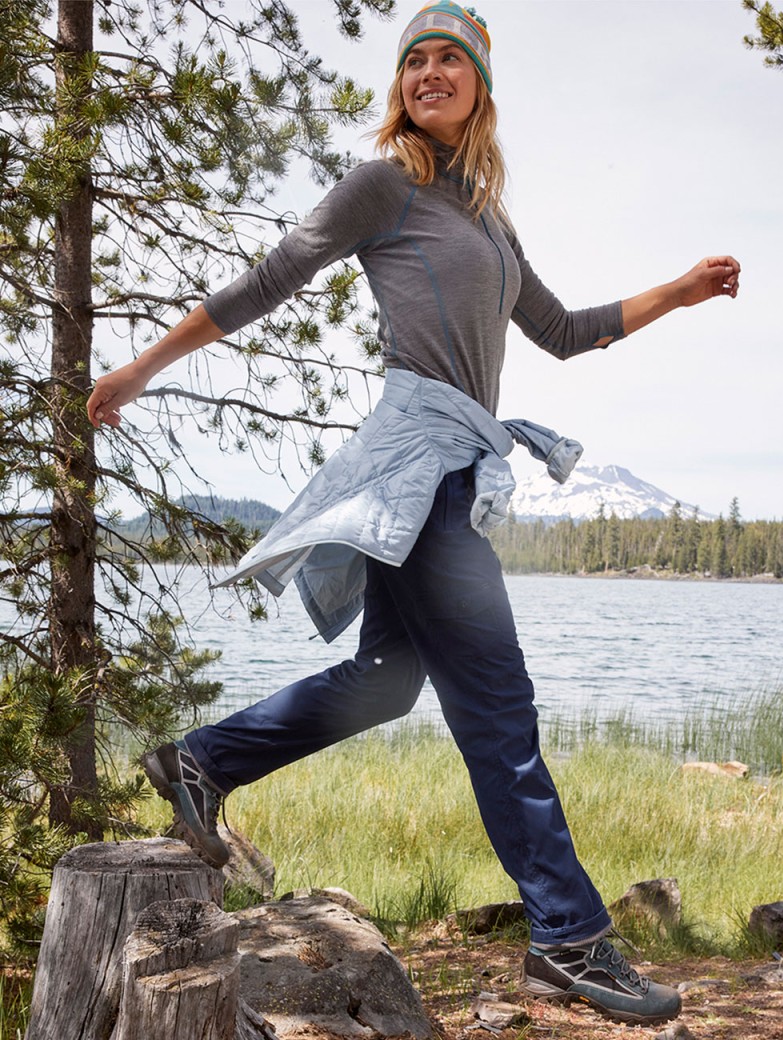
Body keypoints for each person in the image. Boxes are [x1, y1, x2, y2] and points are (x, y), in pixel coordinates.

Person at [87, 1, 739, 1027]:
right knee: (498, 707)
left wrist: (681, 291)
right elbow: (273, 276)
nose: (429, 72)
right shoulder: (383, 183)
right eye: (414, 61)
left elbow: (563, 332)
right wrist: (139, 367)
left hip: (450, 466)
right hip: (416, 468)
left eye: (450, 60)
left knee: (387, 681)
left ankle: (201, 758)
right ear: (400, 87)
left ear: (479, 85)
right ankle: (569, 937)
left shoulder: (485, 216)